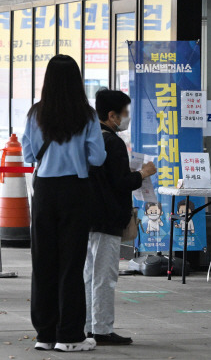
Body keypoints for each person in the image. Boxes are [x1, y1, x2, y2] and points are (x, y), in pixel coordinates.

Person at [23, 55, 106, 352]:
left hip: (44, 190)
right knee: (72, 263)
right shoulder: (86, 115)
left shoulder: (36, 114)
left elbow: (29, 155)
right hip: (75, 189)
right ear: (76, 81)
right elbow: (98, 158)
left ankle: (44, 334)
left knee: (43, 262)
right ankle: (69, 335)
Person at [84, 88, 157, 346]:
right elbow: (120, 182)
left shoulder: (91, 138)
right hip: (108, 217)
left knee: (90, 274)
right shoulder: (112, 142)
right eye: (124, 113)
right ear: (111, 115)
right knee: (105, 276)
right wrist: (143, 173)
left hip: (89, 217)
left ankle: (89, 326)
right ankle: (102, 329)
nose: (126, 118)